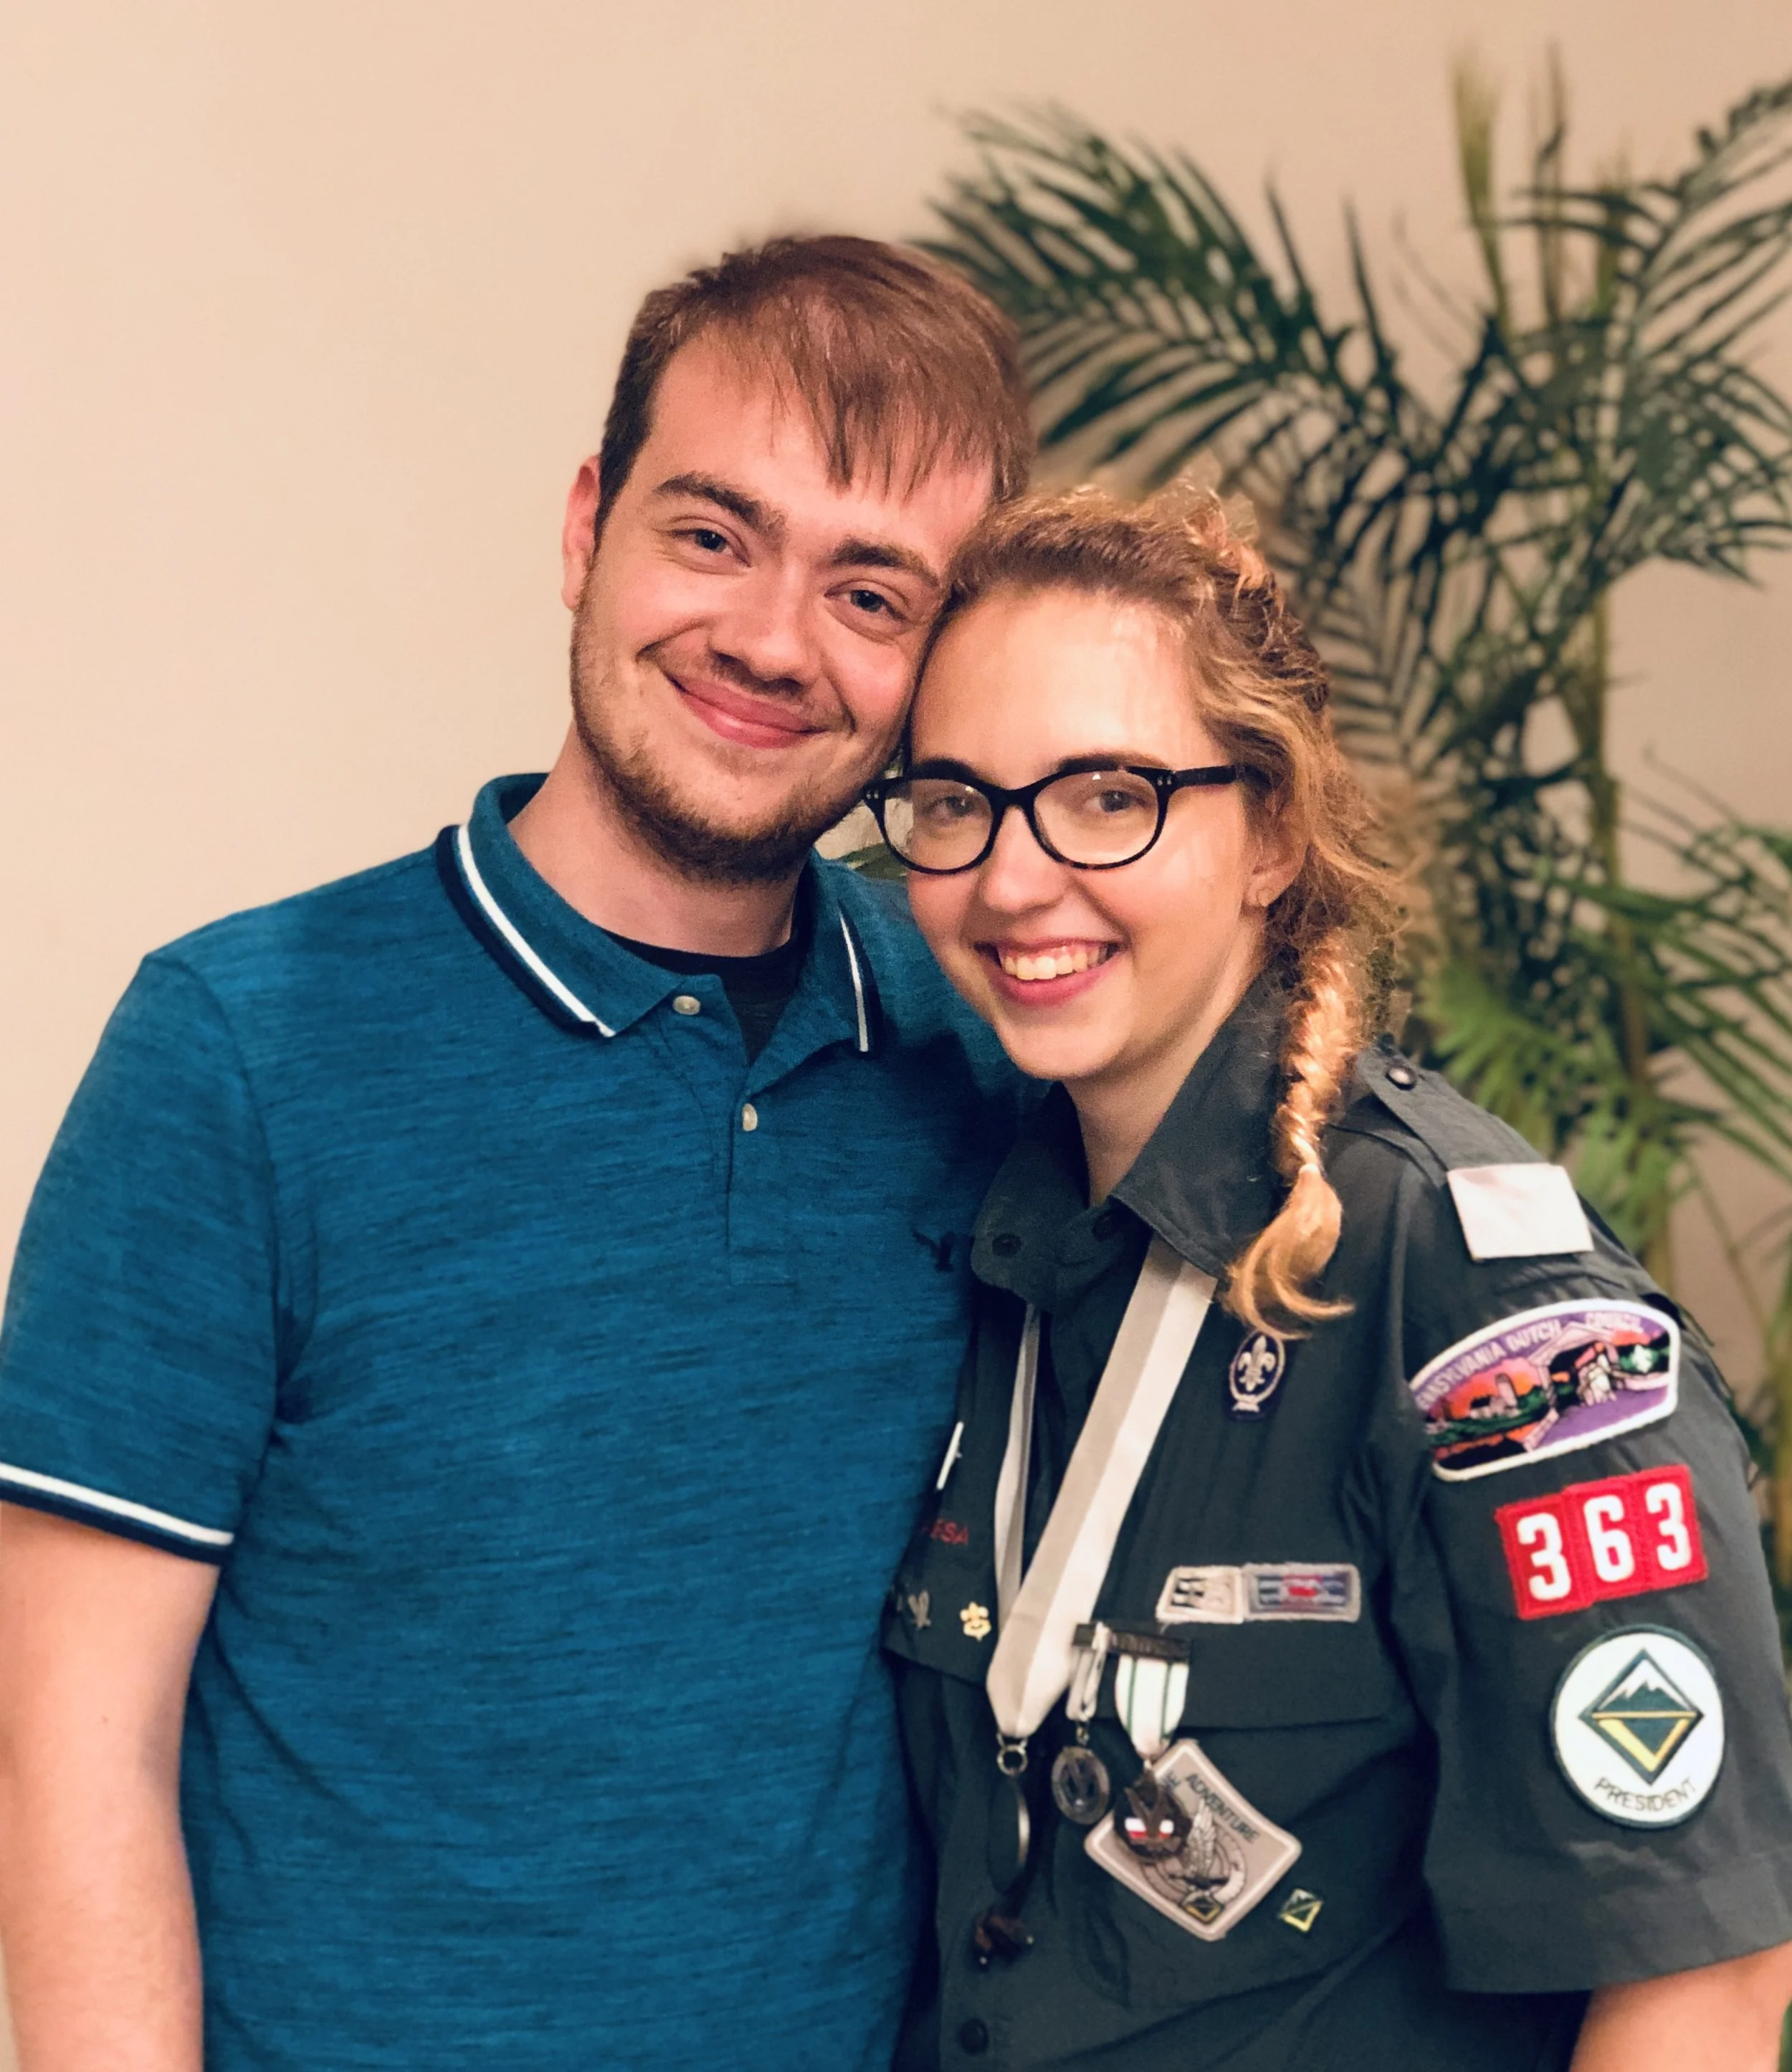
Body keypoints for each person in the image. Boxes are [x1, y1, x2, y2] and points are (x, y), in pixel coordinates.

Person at [0, 237, 1034, 2071]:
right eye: (711, 533)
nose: (769, 639)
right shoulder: (236, 1049)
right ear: (585, 527)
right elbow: (71, 1750)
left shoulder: (977, 1054)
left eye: (870, 592)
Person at [872, 483, 1792, 2071]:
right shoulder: (998, 1243)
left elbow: (1699, 1977)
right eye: (956, 801)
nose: (1012, 880)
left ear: (1273, 830)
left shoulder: (1481, 1310)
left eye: (1106, 795)